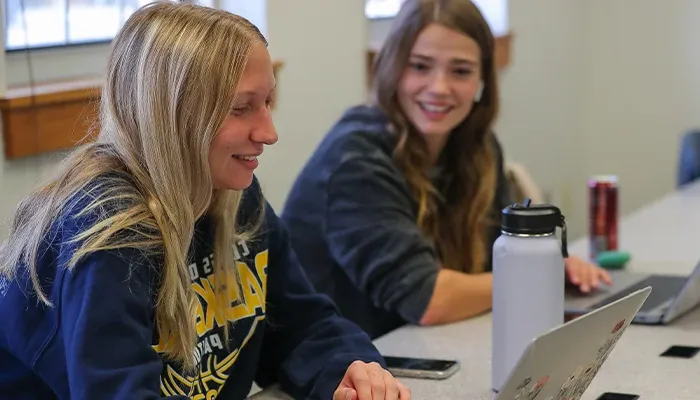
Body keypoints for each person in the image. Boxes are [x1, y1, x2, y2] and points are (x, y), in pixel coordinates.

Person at [0, 3, 410, 400]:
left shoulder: (234, 197)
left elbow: (301, 328)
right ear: (171, 114)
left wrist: (354, 372)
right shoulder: (107, 234)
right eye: (240, 108)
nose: (269, 132)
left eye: (267, 102)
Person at [280, 0, 612, 340]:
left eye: (461, 71)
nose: (439, 87)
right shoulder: (353, 159)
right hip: (340, 370)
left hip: (419, 348)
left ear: (483, 79)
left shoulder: (478, 146)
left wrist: (560, 266)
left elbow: (504, 255)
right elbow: (427, 299)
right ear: (391, 68)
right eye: (420, 66)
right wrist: (542, 273)